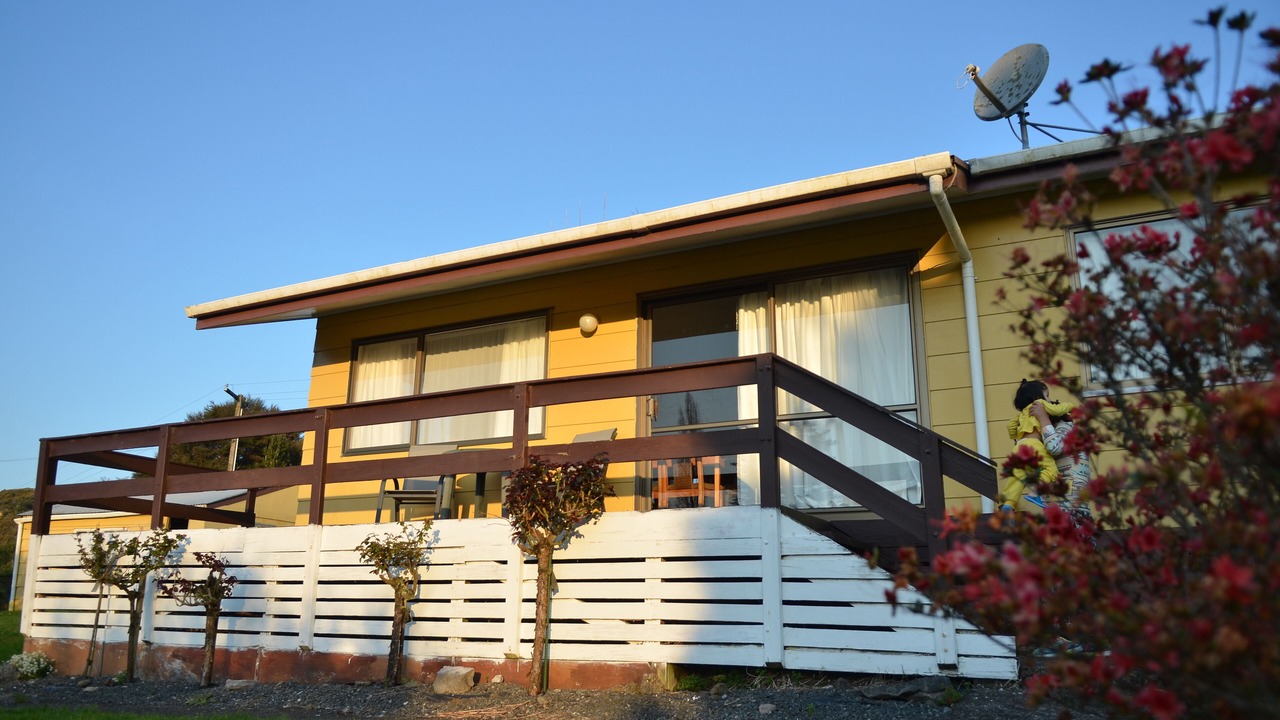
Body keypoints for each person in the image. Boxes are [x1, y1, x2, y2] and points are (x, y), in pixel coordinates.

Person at [1001, 379, 1084, 511]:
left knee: (1018, 475)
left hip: (1019, 445)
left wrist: (1017, 437)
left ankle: (1009, 504)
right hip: (1034, 444)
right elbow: (1057, 409)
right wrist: (1070, 406)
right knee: (1051, 471)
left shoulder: (1022, 414)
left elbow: (1010, 426)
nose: (1049, 399)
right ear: (1037, 397)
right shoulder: (1040, 404)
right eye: (1047, 395)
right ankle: (1035, 493)